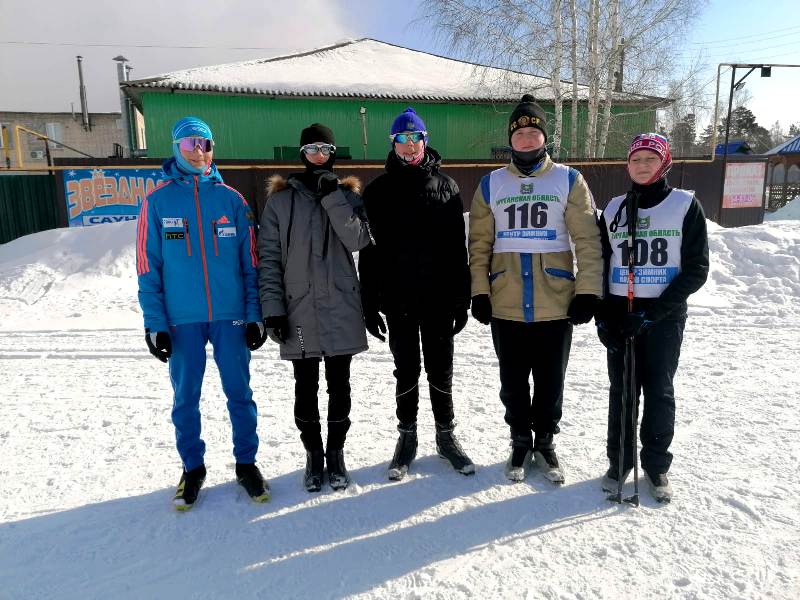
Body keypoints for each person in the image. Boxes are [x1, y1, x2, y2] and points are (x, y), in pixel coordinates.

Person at [136, 116, 269, 510]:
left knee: (239, 394)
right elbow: (148, 268)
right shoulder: (157, 203)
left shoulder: (232, 200)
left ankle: (247, 463)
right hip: (182, 321)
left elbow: (251, 265)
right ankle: (192, 468)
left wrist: (254, 314)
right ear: (176, 148)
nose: (200, 151)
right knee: (185, 397)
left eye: (206, 144)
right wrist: (155, 323)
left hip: (229, 317)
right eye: (191, 144)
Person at [468, 95, 603, 484]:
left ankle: (545, 441)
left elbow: (587, 241)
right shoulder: (491, 184)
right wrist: (479, 290)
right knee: (512, 381)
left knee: (550, 380)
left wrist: (587, 291)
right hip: (506, 300)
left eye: (533, 132)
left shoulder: (569, 180)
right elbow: (479, 244)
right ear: (511, 139)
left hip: (555, 302)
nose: (527, 140)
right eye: (520, 134)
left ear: (544, 136)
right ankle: (519, 440)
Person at [359, 107, 475, 481]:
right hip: (398, 299)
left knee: (441, 367)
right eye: (401, 140)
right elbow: (370, 251)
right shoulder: (377, 191)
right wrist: (369, 302)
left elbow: (458, 248)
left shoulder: (447, 187)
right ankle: (406, 438)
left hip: (439, 297)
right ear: (393, 145)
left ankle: (446, 436)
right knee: (406, 368)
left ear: (426, 141)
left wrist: (462, 297)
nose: (409, 147)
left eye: (415, 139)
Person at [257, 123, 371, 492]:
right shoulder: (279, 202)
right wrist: (272, 309)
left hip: (340, 305)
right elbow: (270, 259)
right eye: (311, 149)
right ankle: (313, 455)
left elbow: (357, 241)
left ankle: (336, 455)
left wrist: (332, 197)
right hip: (298, 308)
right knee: (304, 388)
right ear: (301, 153)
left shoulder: (348, 196)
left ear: (334, 152)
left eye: (325, 148)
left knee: (340, 386)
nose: (319, 155)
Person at [596, 133, 709, 503]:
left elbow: (696, 270)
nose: (642, 166)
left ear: (664, 163)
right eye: (636, 159)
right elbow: (600, 264)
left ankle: (656, 465)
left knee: (658, 390)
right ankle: (620, 460)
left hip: (663, 316)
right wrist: (604, 317)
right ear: (627, 164)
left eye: (650, 159)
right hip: (621, 313)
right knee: (623, 391)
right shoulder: (613, 208)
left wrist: (653, 313)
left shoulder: (683, 205)